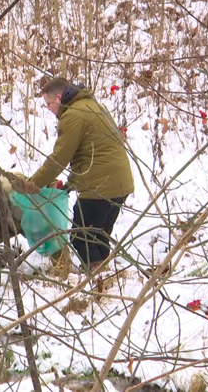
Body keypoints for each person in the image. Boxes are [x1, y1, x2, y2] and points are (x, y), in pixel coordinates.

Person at [30, 77, 135, 270]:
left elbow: (59, 158)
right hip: (119, 182)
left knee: (81, 238)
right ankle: (103, 277)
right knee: (98, 236)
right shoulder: (92, 106)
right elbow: (89, 154)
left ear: (59, 98)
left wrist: (33, 184)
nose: (49, 109)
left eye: (49, 104)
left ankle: (96, 279)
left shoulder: (73, 116)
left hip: (99, 186)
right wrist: (69, 185)